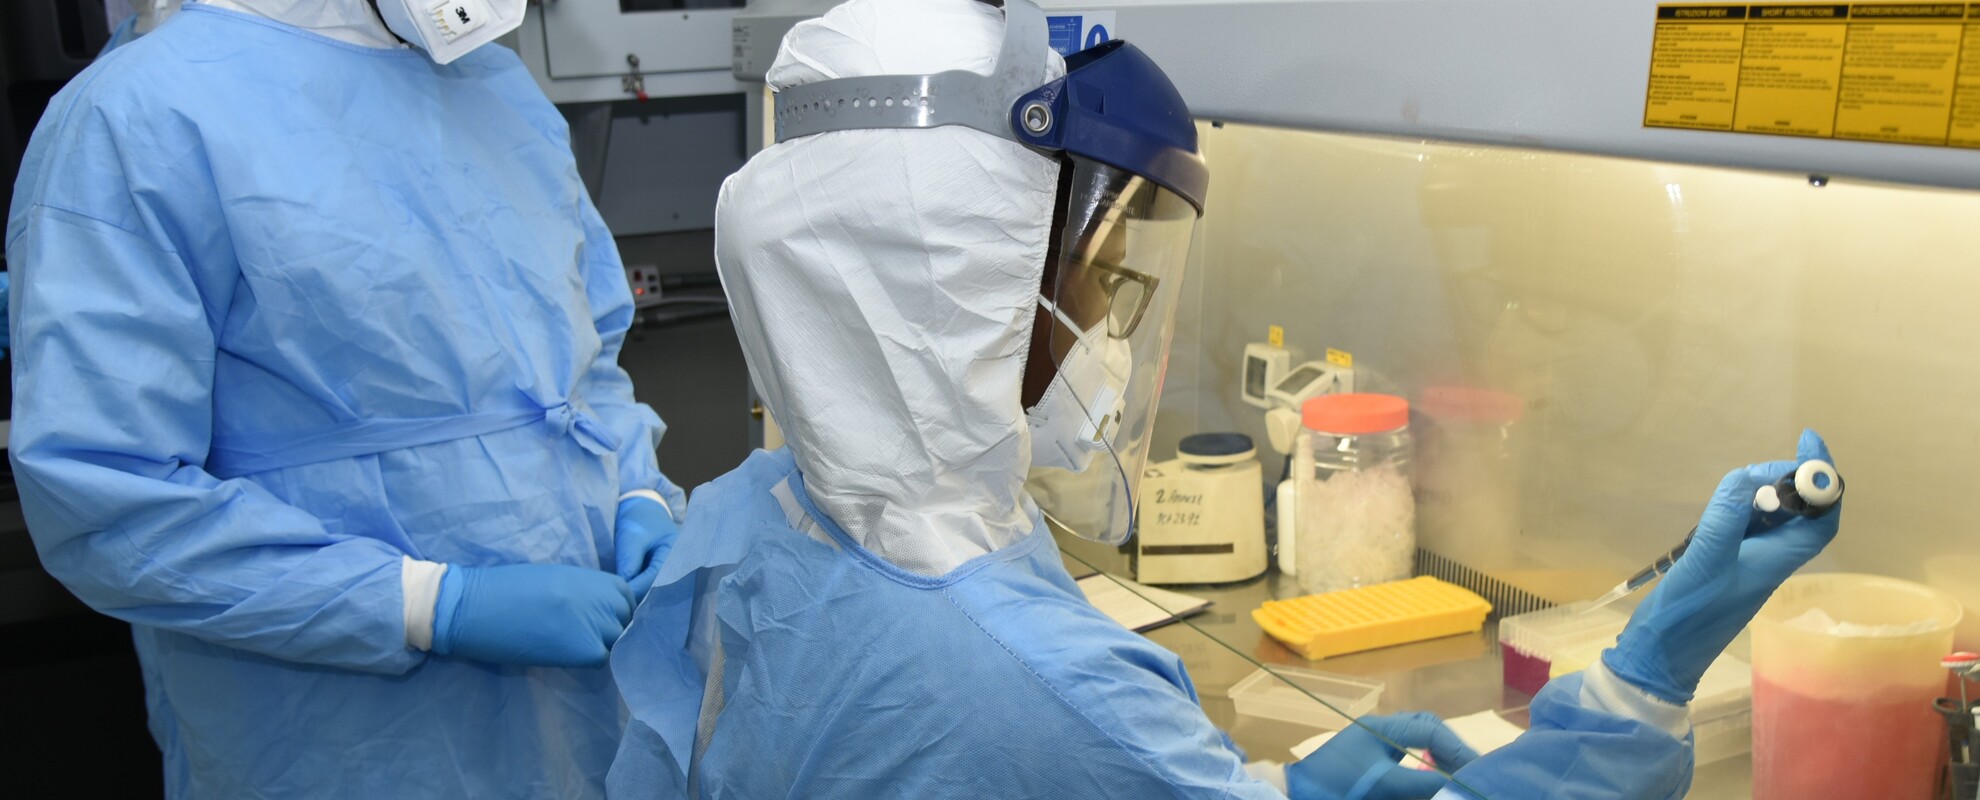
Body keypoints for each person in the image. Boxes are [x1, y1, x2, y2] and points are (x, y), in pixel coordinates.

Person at [604, 1, 1842, 798]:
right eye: (1090, 279)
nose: (1104, 326)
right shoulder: (1035, 681)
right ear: (963, 281)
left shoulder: (771, 511)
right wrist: (1645, 672)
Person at [7, 1, 685, 797]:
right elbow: (105, 499)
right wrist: (430, 605)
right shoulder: (136, 116)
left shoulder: (496, 86)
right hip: (334, 732)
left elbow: (583, 352)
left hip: (577, 710)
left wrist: (638, 487)